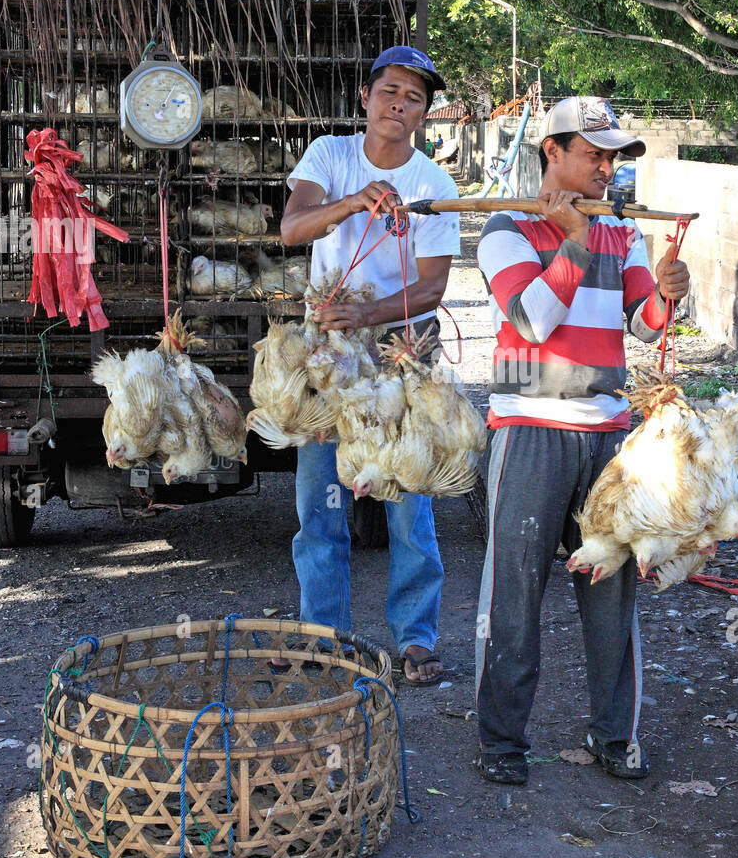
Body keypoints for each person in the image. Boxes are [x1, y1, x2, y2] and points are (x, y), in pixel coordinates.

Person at [473, 96, 691, 784]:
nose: (606, 168)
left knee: (613, 594)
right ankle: (503, 742)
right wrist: (570, 240)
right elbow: (533, 322)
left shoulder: (625, 233)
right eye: (593, 154)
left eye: (613, 157)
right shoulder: (503, 229)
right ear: (552, 152)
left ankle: (614, 736)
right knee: (514, 595)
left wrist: (667, 292)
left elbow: (647, 326)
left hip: (606, 433)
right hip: (530, 429)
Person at [281, 45, 460, 685]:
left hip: (400, 351)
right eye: (388, 91)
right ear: (366, 96)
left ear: (423, 113)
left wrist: (368, 316)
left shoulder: (435, 186)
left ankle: (415, 640)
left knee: (408, 496)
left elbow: (434, 287)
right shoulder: (329, 155)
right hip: (330, 353)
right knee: (319, 498)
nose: (397, 104)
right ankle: (320, 634)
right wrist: (354, 202)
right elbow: (293, 228)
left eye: (412, 98)